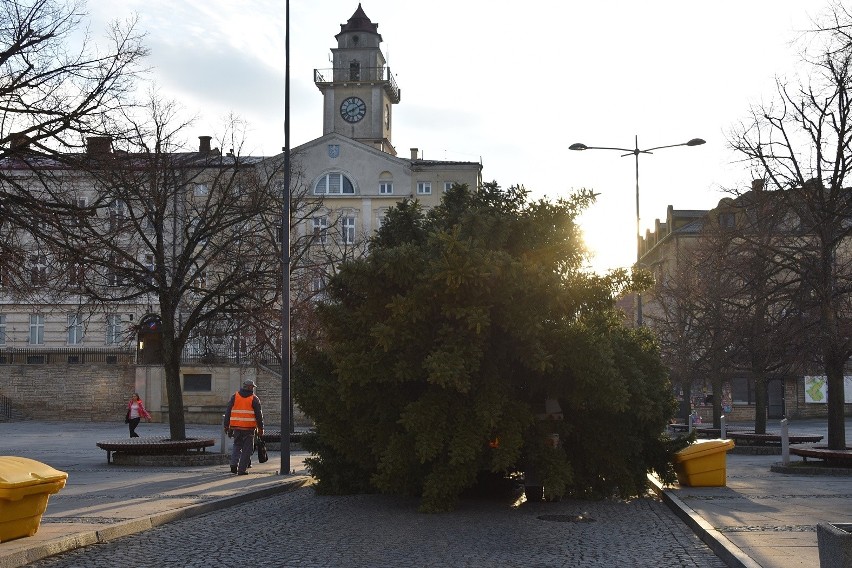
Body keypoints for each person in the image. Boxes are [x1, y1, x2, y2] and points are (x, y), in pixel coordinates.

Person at [224, 379, 264, 475]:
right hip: (248, 429)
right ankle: (242, 470)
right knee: (247, 449)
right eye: (252, 387)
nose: (253, 389)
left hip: (236, 427)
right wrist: (261, 429)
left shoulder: (235, 396)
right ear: (250, 387)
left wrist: (226, 425)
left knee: (237, 445)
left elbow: (228, 411)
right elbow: (259, 415)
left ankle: (234, 464)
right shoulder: (254, 399)